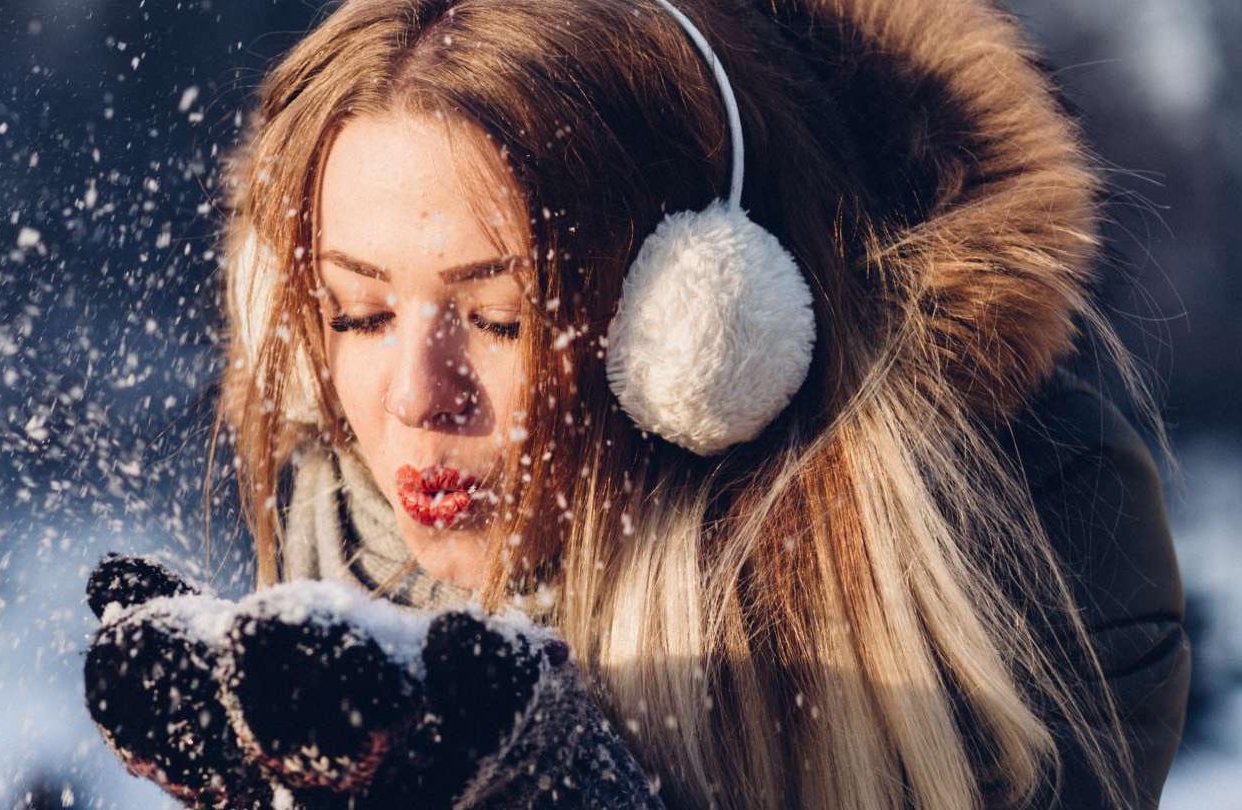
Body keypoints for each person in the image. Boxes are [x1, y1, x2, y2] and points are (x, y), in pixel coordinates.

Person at [88, 0, 1192, 807]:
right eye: (358, 314)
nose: (418, 398)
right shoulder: (335, 532)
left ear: (702, 331)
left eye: (502, 318)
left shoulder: (999, 584)